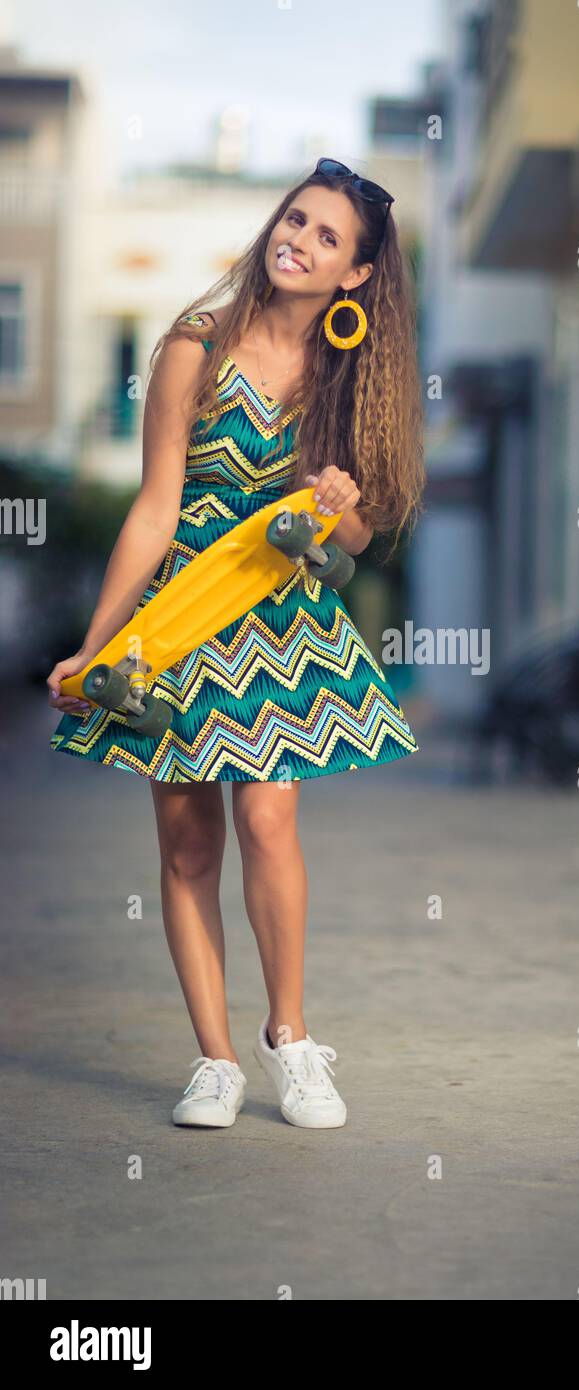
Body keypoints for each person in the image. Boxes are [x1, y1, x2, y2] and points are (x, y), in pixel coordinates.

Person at [45, 158, 425, 1131]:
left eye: (328, 235)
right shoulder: (192, 345)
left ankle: (290, 1038)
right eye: (295, 217)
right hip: (180, 621)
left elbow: (351, 538)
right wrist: (97, 647)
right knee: (185, 842)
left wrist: (341, 513)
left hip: (282, 624)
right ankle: (214, 1059)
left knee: (268, 822)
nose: (298, 236)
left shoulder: (352, 377)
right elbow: (154, 508)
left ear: (356, 274)